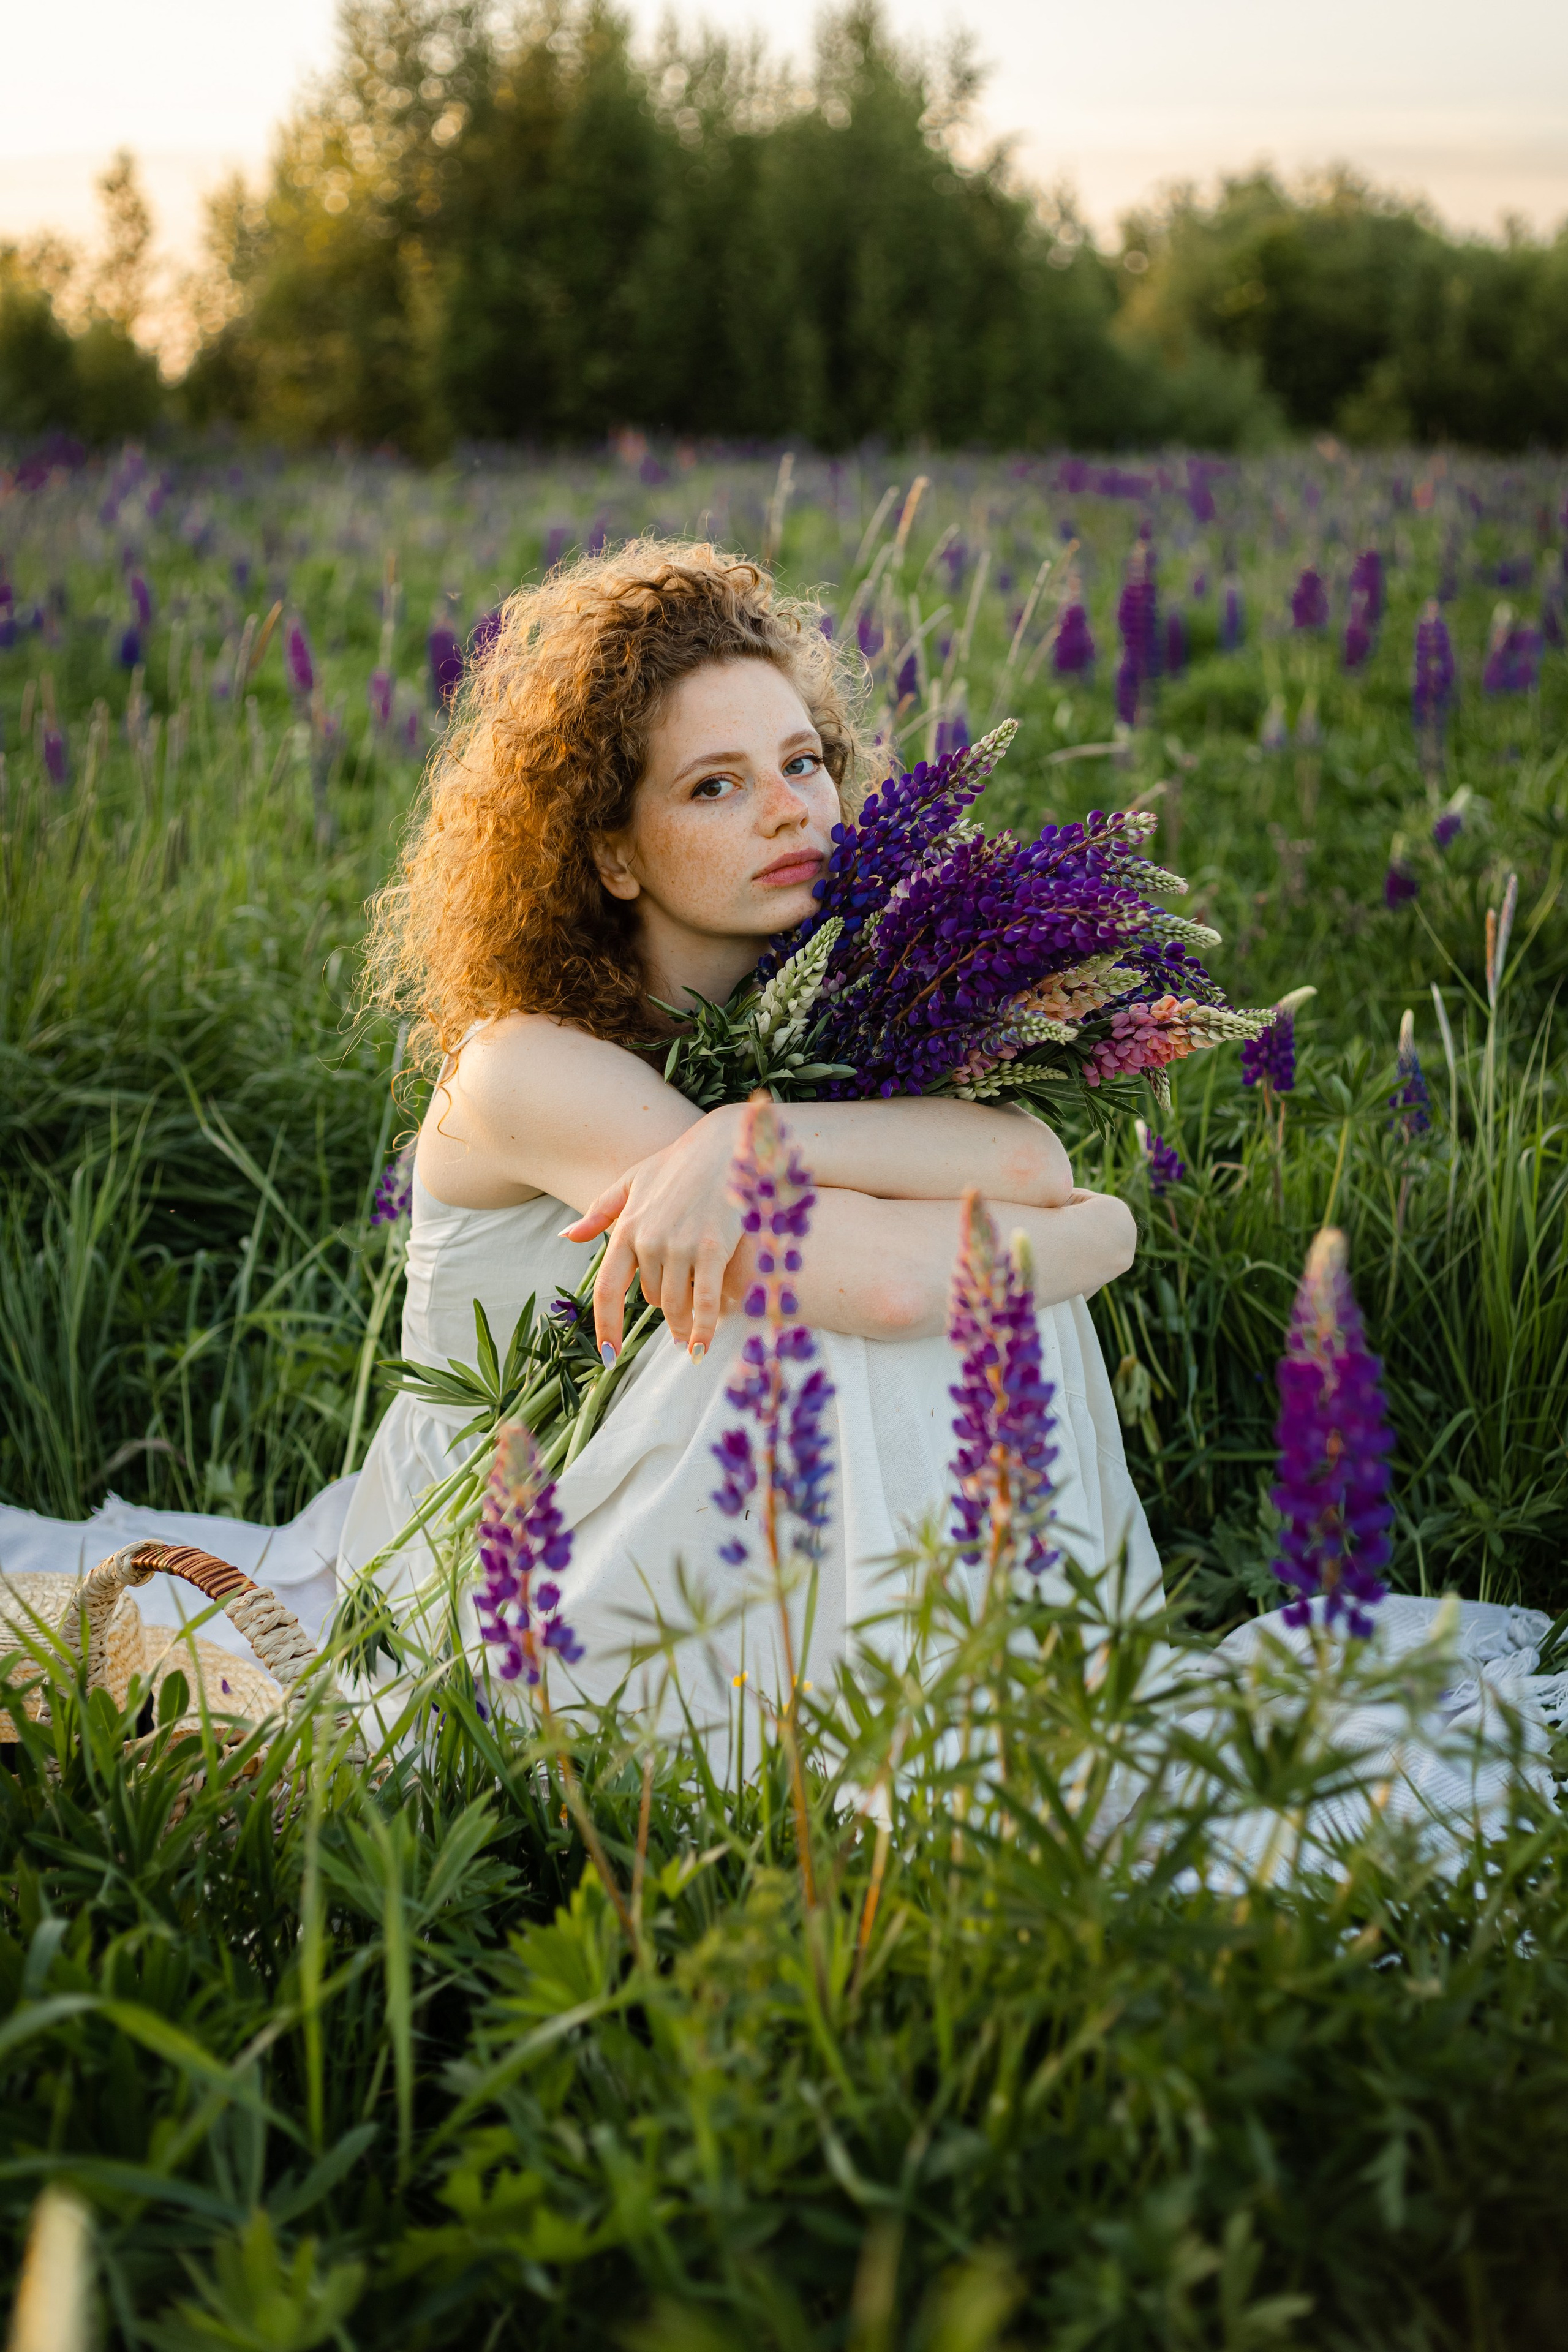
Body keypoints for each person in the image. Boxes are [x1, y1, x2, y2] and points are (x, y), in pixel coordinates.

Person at [344, 538, 1158, 1724]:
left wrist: (749, 1136)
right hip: (505, 1582)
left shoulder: (824, 1029)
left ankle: (979, 1698)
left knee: (885, 1268)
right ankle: (907, 1727)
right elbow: (884, 1285)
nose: (790, 812)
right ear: (612, 852)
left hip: (705, 1535)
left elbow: (1025, 1160)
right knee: (804, 1317)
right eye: (714, 786)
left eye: (803, 762)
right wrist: (1107, 1231)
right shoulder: (521, 1066)